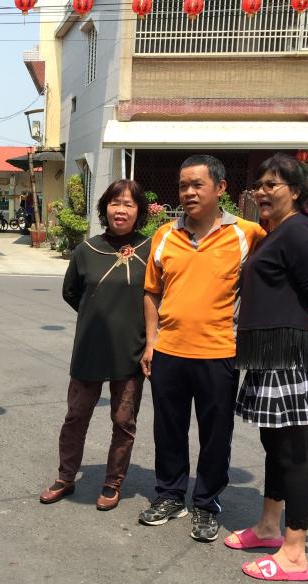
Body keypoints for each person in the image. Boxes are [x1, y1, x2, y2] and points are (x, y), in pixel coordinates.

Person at [139, 155, 266, 541]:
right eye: (183, 186)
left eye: (197, 184)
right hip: (169, 351)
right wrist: (151, 342)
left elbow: (275, 279)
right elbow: (151, 292)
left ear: (220, 188)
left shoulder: (248, 234)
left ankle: (207, 503)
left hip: (220, 352)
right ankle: (170, 495)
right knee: (168, 429)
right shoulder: (164, 235)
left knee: (215, 435)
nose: (189, 192)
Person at [223, 153, 308, 582]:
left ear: (296, 190)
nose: (262, 192)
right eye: (259, 185)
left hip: (289, 355)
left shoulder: (299, 232)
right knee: (274, 446)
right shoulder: (277, 231)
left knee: (293, 454)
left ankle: (294, 554)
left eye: (272, 184)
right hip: (268, 353)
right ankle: (269, 526)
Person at [39, 179, 150, 510]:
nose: (121, 210)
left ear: (139, 211)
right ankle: (66, 477)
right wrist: (96, 317)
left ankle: (113, 482)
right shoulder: (85, 251)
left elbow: (158, 298)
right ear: (104, 208)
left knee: (123, 421)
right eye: (115, 203)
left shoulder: (152, 250)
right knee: (76, 416)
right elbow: (71, 292)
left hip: (131, 350)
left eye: (129, 204)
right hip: (89, 348)